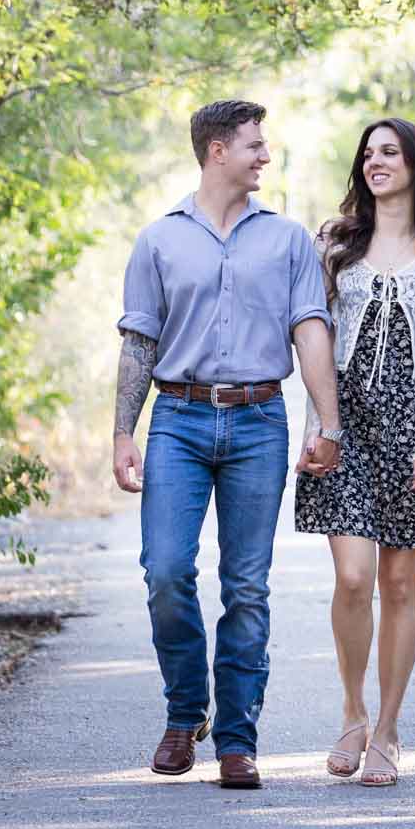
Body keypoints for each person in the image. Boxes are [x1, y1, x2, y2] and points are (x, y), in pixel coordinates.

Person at [113, 98, 343, 790]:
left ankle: (237, 740)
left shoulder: (289, 240)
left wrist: (327, 424)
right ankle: (184, 715)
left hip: (257, 423)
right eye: (254, 145)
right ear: (217, 150)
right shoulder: (157, 240)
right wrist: (123, 432)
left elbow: (310, 333)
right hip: (177, 422)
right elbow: (138, 343)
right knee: (164, 572)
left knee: (246, 585)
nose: (264, 156)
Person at [294, 115, 415, 787]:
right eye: (368, 153)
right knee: (352, 578)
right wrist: (318, 425)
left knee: (399, 584)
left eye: (389, 152)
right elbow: (310, 340)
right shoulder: (334, 244)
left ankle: (389, 730)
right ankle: (351, 712)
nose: (375, 162)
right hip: (346, 425)